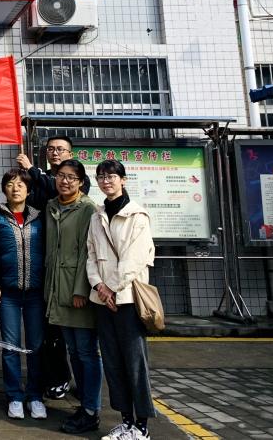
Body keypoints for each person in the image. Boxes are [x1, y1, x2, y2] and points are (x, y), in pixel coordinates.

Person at [87, 160, 157, 440]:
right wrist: (99, 286)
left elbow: (135, 259)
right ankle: (126, 422)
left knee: (135, 363)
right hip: (103, 299)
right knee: (113, 363)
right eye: (101, 177)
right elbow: (90, 255)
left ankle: (142, 426)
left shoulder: (137, 215)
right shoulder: (97, 215)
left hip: (127, 299)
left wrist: (112, 288)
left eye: (112, 176)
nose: (106, 181)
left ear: (123, 179)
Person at [17, 135, 87, 401]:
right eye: (51, 149)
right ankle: (57, 378)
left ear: (70, 153)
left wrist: (32, 170)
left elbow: (54, 187)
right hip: (45, 264)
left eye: (60, 149)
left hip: (70, 270)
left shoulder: (76, 181)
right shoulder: (44, 179)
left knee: (76, 336)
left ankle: (82, 385)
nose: (55, 153)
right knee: (49, 332)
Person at [0, 168, 46, 421]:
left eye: (20, 184)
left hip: (36, 292)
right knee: (10, 346)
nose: (15, 188)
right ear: (4, 189)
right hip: (7, 292)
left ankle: (35, 396)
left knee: (36, 346)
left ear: (29, 190)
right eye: (10, 184)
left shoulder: (39, 217)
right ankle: (15, 396)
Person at [44, 159, 102, 435]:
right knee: (75, 352)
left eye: (71, 177)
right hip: (57, 290)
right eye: (60, 176)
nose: (65, 181)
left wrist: (81, 289)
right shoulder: (51, 206)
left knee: (87, 353)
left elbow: (87, 252)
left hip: (77, 292)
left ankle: (91, 410)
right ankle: (85, 406)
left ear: (80, 182)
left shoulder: (87, 208)